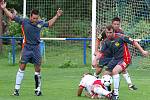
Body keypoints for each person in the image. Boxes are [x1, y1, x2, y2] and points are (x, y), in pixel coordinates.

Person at [0, 1, 63, 96]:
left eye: (37, 18)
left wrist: (57, 16)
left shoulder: (40, 23)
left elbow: (49, 24)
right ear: (30, 16)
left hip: (36, 48)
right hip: (27, 48)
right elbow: (12, 17)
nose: (35, 20)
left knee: (38, 69)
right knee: (22, 67)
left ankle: (37, 90)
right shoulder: (24, 21)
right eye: (34, 18)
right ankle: (16, 90)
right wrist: (4, 8)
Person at [99, 25, 149, 100]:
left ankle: (116, 95)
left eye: (110, 32)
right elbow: (101, 52)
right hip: (115, 59)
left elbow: (134, 42)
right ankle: (108, 93)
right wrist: (95, 59)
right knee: (105, 75)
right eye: (107, 32)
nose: (108, 34)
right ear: (105, 32)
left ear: (114, 32)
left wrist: (142, 51)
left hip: (125, 58)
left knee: (115, 71)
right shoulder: (106, 41)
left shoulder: (121, 37)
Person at [92, 17, 137, 90]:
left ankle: (130, 84)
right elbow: (98, 39)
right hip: (105, 54)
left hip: (115, 55)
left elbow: (123, 42)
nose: (116, 26)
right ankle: (94, 81)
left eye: (117, 24)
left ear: (120, 24)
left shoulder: (121, 33)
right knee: (99, 69)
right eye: (114, 24)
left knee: (121, 68)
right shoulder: (105, 31)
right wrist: (96, 50)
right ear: (112, 24)